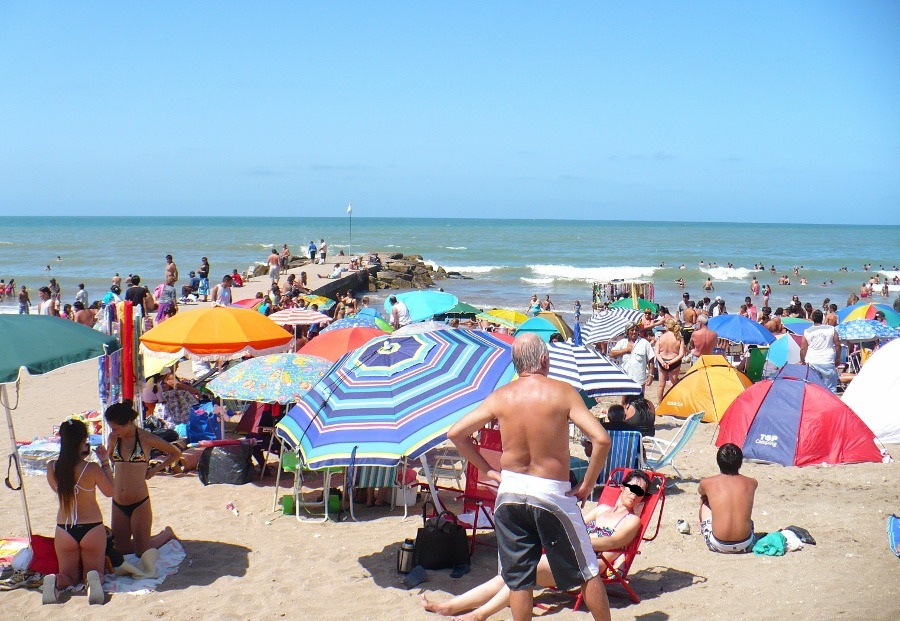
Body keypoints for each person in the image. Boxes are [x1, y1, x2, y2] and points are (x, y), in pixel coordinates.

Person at [447, 333, 612, 621]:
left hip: (509, 492)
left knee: (519, 579)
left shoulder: (501, 396)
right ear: (544, 359)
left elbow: (456, 434)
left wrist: (487, 471)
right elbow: (601, 440)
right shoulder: (562, 392)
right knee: (587, 571)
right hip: (550, 492)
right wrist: (587, 483)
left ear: (516, 363)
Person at [422, 470, 651, 621]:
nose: (634, 494)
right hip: (570, 550)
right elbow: (576, 524)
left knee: (523, 571)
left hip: (591, 562)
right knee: (509, 574)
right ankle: (453, 606)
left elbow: (613, 542)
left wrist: (576, 540)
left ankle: (478, 614)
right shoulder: (601, 510)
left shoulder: (632, 521)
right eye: (631, 487)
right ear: (622, 487)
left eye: (640, 492)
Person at [43, 418, 115, 605]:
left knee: (68, 575)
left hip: (64, 528)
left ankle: (55, 581)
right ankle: (92, 579)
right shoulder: (91, 468)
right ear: (83, 440)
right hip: (91, 527)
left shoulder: (52, 467)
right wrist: (105, 461)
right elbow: (111, 491)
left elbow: (58, 491)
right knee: (94, 571)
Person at [103, 403, 179, 560]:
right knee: (120, 549)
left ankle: (166, 534)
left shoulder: (145, 438)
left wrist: (154, 470)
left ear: (129, 423)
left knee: (141, 552)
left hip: (139, 502)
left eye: (116, 428)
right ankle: (147, 540)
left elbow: (175, 453)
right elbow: (111, 458)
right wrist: (108, 451)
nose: (113, 431)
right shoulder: (114, 438)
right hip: (118, 501)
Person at [698, 443, 758, 554]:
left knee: (705, 500)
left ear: (718, 462)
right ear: (740, 463)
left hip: (718, 544)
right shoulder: (752, 483)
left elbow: (701, 492)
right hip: (746, 543)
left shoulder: (706, 483)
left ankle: (703, 527)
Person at [800, 309, 841, 393]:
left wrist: (802, 360)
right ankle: (831, 405)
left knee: (815, 387)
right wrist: (838, 358)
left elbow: (803, 348)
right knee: (831, 388)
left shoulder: (807, 331)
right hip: (827, 360)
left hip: (812, 361)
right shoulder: (831, 329)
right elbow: (838, 345)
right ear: (822, 318)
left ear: (812, 318)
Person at [609, 324, 654, 396]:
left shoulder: (644, 343)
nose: (634, 332)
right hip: (625, 377)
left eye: (636, 330)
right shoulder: (622, 342)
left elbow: (651, 359)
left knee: (639, 400)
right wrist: (625, 350)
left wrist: (651, 375)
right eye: (632, 330)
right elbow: (612, 354)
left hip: (639, 377)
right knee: (625, 400)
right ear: (627, 331)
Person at [654, 318, 685, 402]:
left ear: (666, 326)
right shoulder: (679, 338)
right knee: (672, 384)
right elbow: (681, 354)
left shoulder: (661, 337)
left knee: (661, 385)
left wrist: (662, 362)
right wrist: (671, 362)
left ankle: (660, 404)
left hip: (663, 361)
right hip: (674, 361)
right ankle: (671, 403)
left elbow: (656, 353)